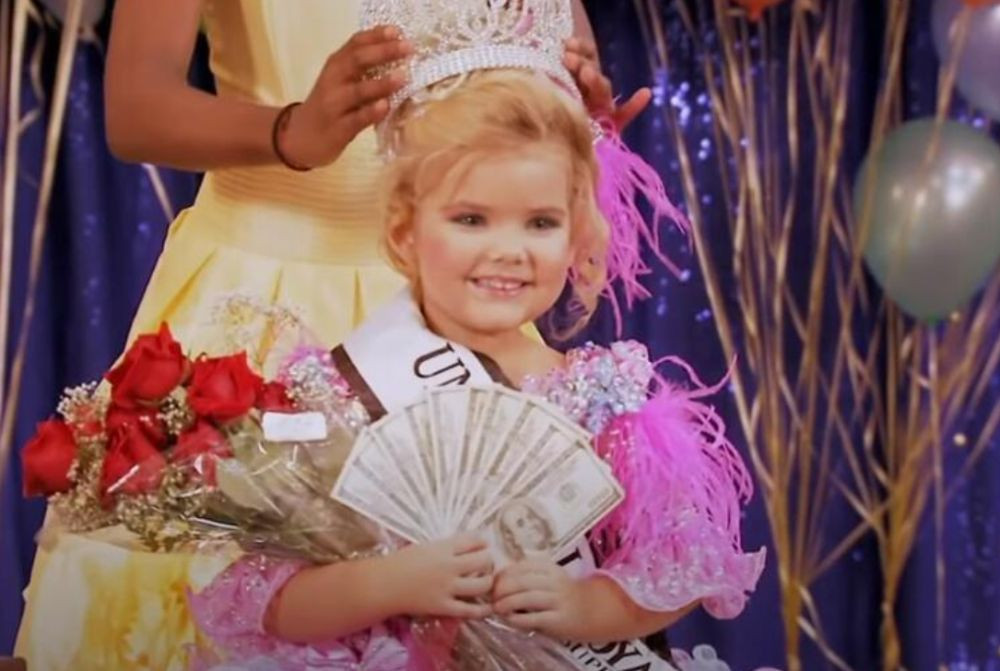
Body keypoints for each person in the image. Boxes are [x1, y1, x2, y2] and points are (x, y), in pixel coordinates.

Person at [15, 2, 652, 669]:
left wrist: (571, 122)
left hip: (463, 299)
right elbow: (137, 108)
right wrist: (290, 130)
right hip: (261, 312)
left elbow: (563, 68)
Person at [186, 22, 765, 664]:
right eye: (471, 219)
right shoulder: (341, 398)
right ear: (405, 234)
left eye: (540, 223)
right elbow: (269, 603)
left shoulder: (607, 399)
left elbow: (676, 569)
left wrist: (586, 607)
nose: (509, 250)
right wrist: (390, 583)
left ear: (575, 235)